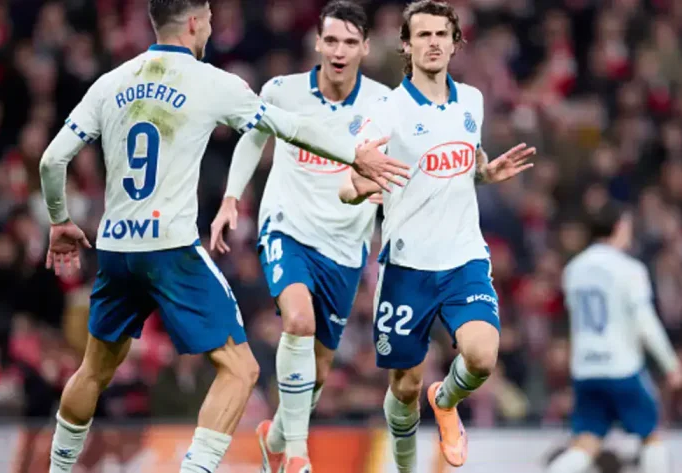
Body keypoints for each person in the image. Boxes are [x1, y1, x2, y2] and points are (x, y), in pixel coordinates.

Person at [37, 0, 409, 472]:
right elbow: (287, 126)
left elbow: (52, 161)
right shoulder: (210, 82)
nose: (211, 28)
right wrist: (356, 154)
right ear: (194, 23)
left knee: (94, 369)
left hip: (115, 249)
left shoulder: (111, 82)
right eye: (209, 20)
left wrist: (59, 219)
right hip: (170, 249)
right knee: (241, 369)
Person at [338, 1, 535, 470]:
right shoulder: (388, 109)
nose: (432, 43)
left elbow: (463, 162)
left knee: (482, 356)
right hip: (407, 266)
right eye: (422, 35)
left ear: (454, 43)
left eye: (440, 35)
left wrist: (485, 172)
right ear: (406, 44)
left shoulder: (472, 101)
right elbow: (350, 180)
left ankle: (445, 400)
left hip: (464, 257)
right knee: (403, 387)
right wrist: (356, 187)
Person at [208, 2, 388, 472]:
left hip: (346, 243)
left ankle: (280, 435)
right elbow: (252, 136)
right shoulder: (283, 91)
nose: (340, 51)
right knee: (298, 322)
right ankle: (298, 456)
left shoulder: (385, 104)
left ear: (366, 47)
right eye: (332, 40)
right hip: (287, 225)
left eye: (350, 42)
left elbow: (390, 171)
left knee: (321, 367)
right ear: (317, 43)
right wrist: (231, 198)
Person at [546, 203, 682, 473]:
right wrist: (671, 365)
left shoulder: (573, 270)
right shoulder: (630, 269)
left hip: (585, 367)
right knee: (651, 434)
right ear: (620, 227)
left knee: (586, 442)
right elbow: (646, 324)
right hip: (621, 366)